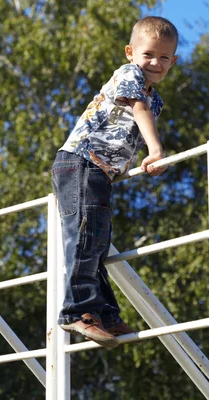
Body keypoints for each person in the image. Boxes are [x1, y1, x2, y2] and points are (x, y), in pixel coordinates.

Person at [51, 16, 179, 348]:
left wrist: (132, 164)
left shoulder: (157, 100)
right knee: (85, 235)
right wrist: (156, 149)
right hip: (80, 162)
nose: (155, 63)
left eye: (164, 57)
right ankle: (76, 311)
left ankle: (105, 313)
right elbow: (137, 110)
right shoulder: (129, 76)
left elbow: (126, 134)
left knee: (97, 242)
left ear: (173, 61)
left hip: (101, 172)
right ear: (130, 53)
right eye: (148, 54)